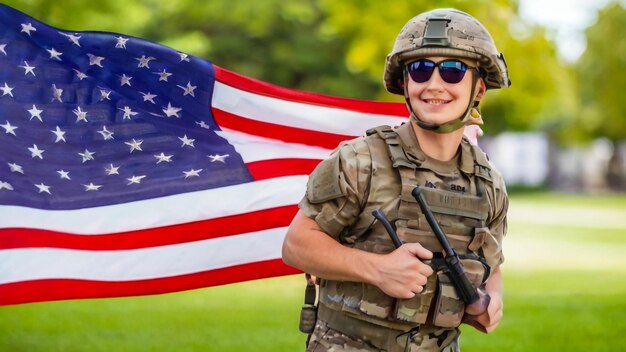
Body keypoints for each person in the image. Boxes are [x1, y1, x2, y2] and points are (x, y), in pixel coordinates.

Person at [282, 8, 511, 352]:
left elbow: (490, 264)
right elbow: (296, 245)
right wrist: (377, 269)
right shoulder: (361, 160)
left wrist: (491, 300)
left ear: (478, 87)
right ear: (405, 83)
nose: (434, 84)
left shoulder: (487, 182)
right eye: (419, 70)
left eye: (452, 71)